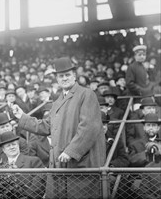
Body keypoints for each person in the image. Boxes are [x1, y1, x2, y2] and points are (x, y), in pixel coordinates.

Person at [12, 57, 106, 198]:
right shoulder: (57, 102)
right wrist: (23, 117)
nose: (64, 78)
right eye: (61, 76)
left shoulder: (86, 94)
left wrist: (71, 151)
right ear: (57, 79)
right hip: (60, 166)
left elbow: (89, 127)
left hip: (80, 164)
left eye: (67, 75)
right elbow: (47, 126)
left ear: (74, 75)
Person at [0, 131, 46, 198]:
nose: (12, 147)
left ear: (18, 145)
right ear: (3, 150)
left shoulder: (34, 161)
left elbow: (39, 184)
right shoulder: (0, 166)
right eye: (8, 146)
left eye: (14, 144)